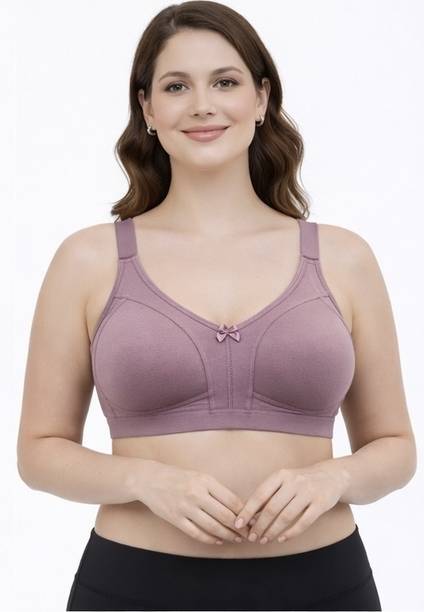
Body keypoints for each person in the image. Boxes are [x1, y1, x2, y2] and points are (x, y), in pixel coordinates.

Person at [17, 1, 416, 610]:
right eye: (177, 86)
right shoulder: (88, 260)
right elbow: (40, 451)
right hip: (134, 587)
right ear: (148, 109)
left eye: (225, 82)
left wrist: (333, 476)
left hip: (323, 586)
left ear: (261, 98)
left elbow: (394, 445)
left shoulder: (344, 258)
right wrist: (141, 478)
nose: (202, 104)